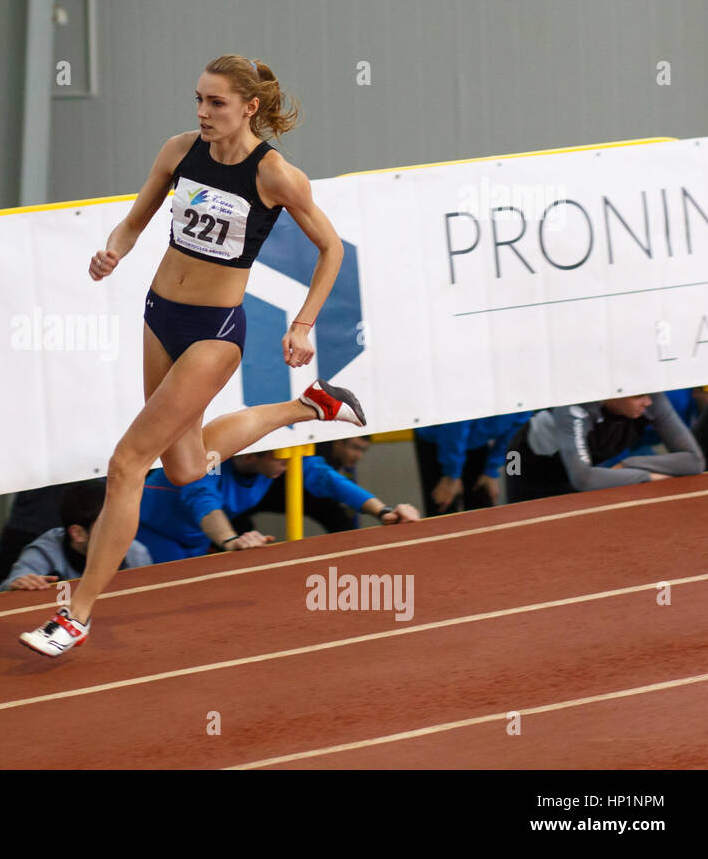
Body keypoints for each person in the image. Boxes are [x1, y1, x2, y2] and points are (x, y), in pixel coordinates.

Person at [21, 54, 366, 657]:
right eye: (199, 101)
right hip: (159, 316)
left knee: (128, 464)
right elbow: (134, 222)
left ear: (249, 108)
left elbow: (331, 248)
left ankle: (76, 615)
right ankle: (308, 408)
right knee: (183, 468)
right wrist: (113, 252)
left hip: (214, 332)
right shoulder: (180, 151)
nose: (203, 113)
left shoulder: (277, 175)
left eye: (217, 103)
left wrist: (304, 322)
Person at [139, 450, 418, 563]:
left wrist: (383, 511)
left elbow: (325, 478)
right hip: (148, 535)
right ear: (249, 457)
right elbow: (202, 497)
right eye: (284, 461)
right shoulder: (210, 458)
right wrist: (231, 540)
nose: (290, 466)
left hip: (196, 540)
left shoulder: (276, 460)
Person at [505, 392, 704, 502]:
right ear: (611, 394)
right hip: (524, 463)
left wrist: (630, 464)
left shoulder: (653, 401)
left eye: (649, 394)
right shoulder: (575, 409)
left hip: (584, 463)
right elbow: (583, 479)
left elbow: (694, 462)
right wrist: (646, 476)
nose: (647, 402)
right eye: (638, 396)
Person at [0, 480, 152, 591]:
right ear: (77, 533)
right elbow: (9, 587)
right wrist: (19, 585)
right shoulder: (45, 553)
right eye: (106, 527)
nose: (120, 535)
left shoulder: (135, 554)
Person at [232, 435, 380, 534]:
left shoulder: (309, 461)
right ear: (338, 442)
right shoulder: (311, 452)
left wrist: (381, 510)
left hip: (284, 492)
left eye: (363, 450)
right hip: (278, 491)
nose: (358, 456)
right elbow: (327, 479)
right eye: (355, 447)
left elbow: (329, 480)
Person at [413, 412, 532, 516]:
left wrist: (491, 471)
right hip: (439, 440)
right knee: (443, 505)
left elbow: (513, 432)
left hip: (477, 441)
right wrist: (451, 475)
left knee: (483, 503)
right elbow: (454, 428)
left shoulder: (523, 397)